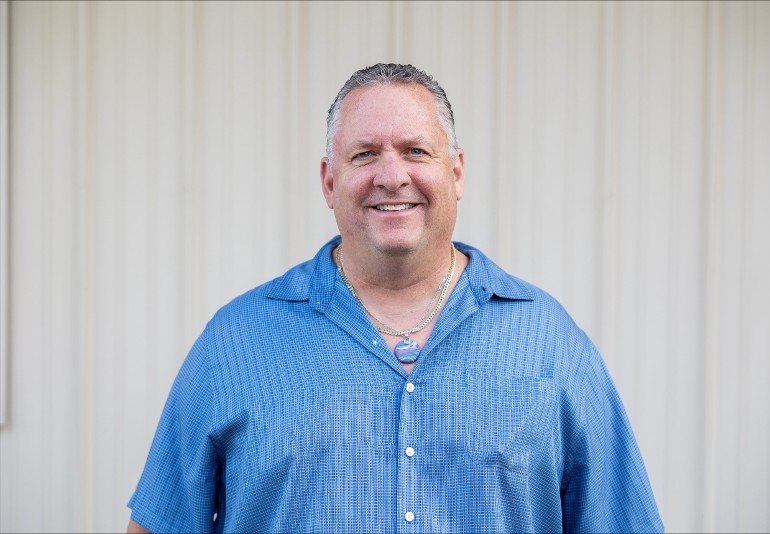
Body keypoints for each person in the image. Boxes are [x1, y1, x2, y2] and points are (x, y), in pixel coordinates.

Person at [127, 63, 663, 533]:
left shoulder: (551, 346)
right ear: (329, 181)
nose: (391, 176)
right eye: (364, 155)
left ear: (456, 173)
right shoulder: (236, 343)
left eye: (415, 151)